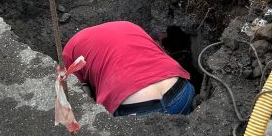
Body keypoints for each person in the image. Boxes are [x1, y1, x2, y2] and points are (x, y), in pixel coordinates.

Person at [62, 21, 195, 116]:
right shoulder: (129, 25)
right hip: (182, 93)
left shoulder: (69, 52)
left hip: (137, 110)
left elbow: (82, 92)